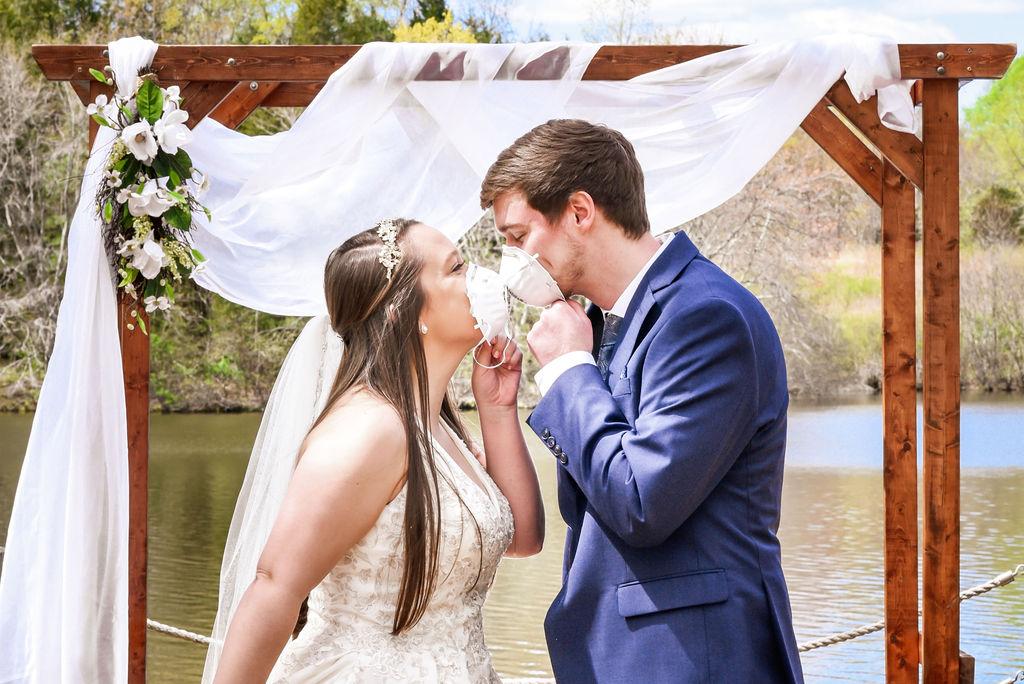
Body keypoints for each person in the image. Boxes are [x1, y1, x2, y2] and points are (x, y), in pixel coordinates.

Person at [481, 119, 805, 683]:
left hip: (691, 660)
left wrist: (566, 371)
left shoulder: (705, 316)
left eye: (517, 237)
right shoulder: (604, 323)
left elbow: (641, 501)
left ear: (580, 212)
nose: (512, 260)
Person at [208, 218, 544, 682]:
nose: (480, 277)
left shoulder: (439, 426)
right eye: (456, 268)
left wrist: (498, 409)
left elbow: (524, 539)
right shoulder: (368, 429)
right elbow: (274, 586)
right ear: (402, 311)